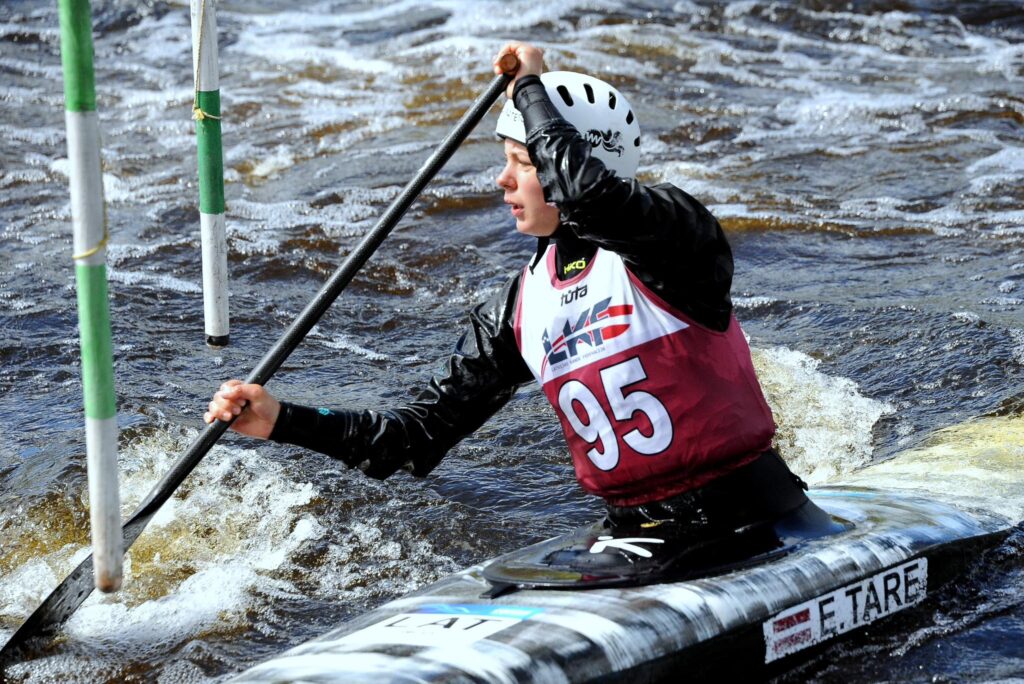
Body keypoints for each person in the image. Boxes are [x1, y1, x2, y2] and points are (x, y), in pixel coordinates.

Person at [205, 42, 816, 546]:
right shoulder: (522, 304)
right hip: (635, 537)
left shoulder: (673, 238)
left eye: (520, 160)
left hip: (757, 517)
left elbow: (593, 199)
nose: (502, 180)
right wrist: (283, 420)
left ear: (570, 156)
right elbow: (416, 438)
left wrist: (531, 87)